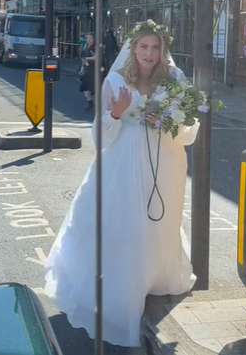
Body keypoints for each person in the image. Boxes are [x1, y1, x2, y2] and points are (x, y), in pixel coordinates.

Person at [44, 20, 199, 348]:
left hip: (165, 165)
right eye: (143, 47)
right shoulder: (115, 81)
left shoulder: (174, 80)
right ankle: (123, 293)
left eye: (155, 48)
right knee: (126, 229)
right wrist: (114, 116)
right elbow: (99, 141)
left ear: (163, 50)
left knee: (159, 226)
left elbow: (189, 132)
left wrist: (169, 122)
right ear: (133, 49)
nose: (150, 54)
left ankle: (153, 277)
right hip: (121, 167)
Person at [78, 33, 96, 111]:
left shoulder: (94, 47)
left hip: (93, 70)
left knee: (92, 88)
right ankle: (90, 102)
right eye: (87, 38)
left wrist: (88, 58)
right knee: (84, 87)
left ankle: (93, 103)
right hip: (86, 70)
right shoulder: (86, 47)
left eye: (90, 38)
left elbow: (97, 57)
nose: (88, 39)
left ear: (93, 39)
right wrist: (82, 69)